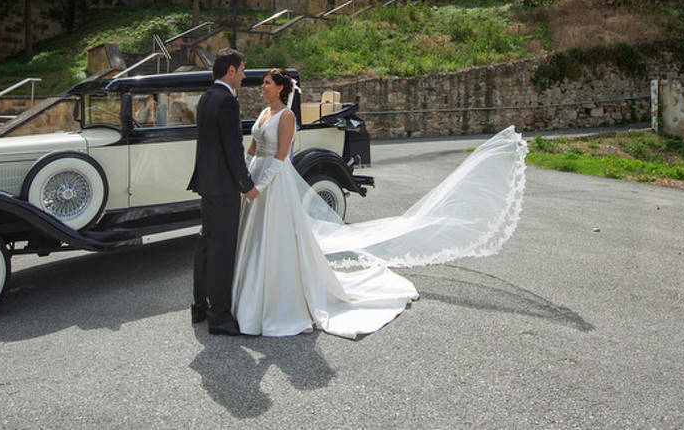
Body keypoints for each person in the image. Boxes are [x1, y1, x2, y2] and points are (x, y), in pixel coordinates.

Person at [232, 68, 528, 339]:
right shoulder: (263, 113)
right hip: (256, 177)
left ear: (281, 87)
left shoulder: (286, 116)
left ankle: (277, 299)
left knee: (276, 236)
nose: (262, 86)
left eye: (267, 83)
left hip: (274, 183)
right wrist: (244, 175)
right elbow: (253, 147)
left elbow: (282, 155)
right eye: (263, 83)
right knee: (254, 236)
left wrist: (259, 186)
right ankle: (250, 296)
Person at [187, 48, 259, 336]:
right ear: (230, 70)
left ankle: (199, 306)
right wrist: (248, 185)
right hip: (222, 186)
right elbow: (233, 149)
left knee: (205, 244)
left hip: (207, 183)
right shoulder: (227, 101)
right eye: (242, 70)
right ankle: (219, 317)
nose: (243, 76)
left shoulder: (206, 97)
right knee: (221, 251)